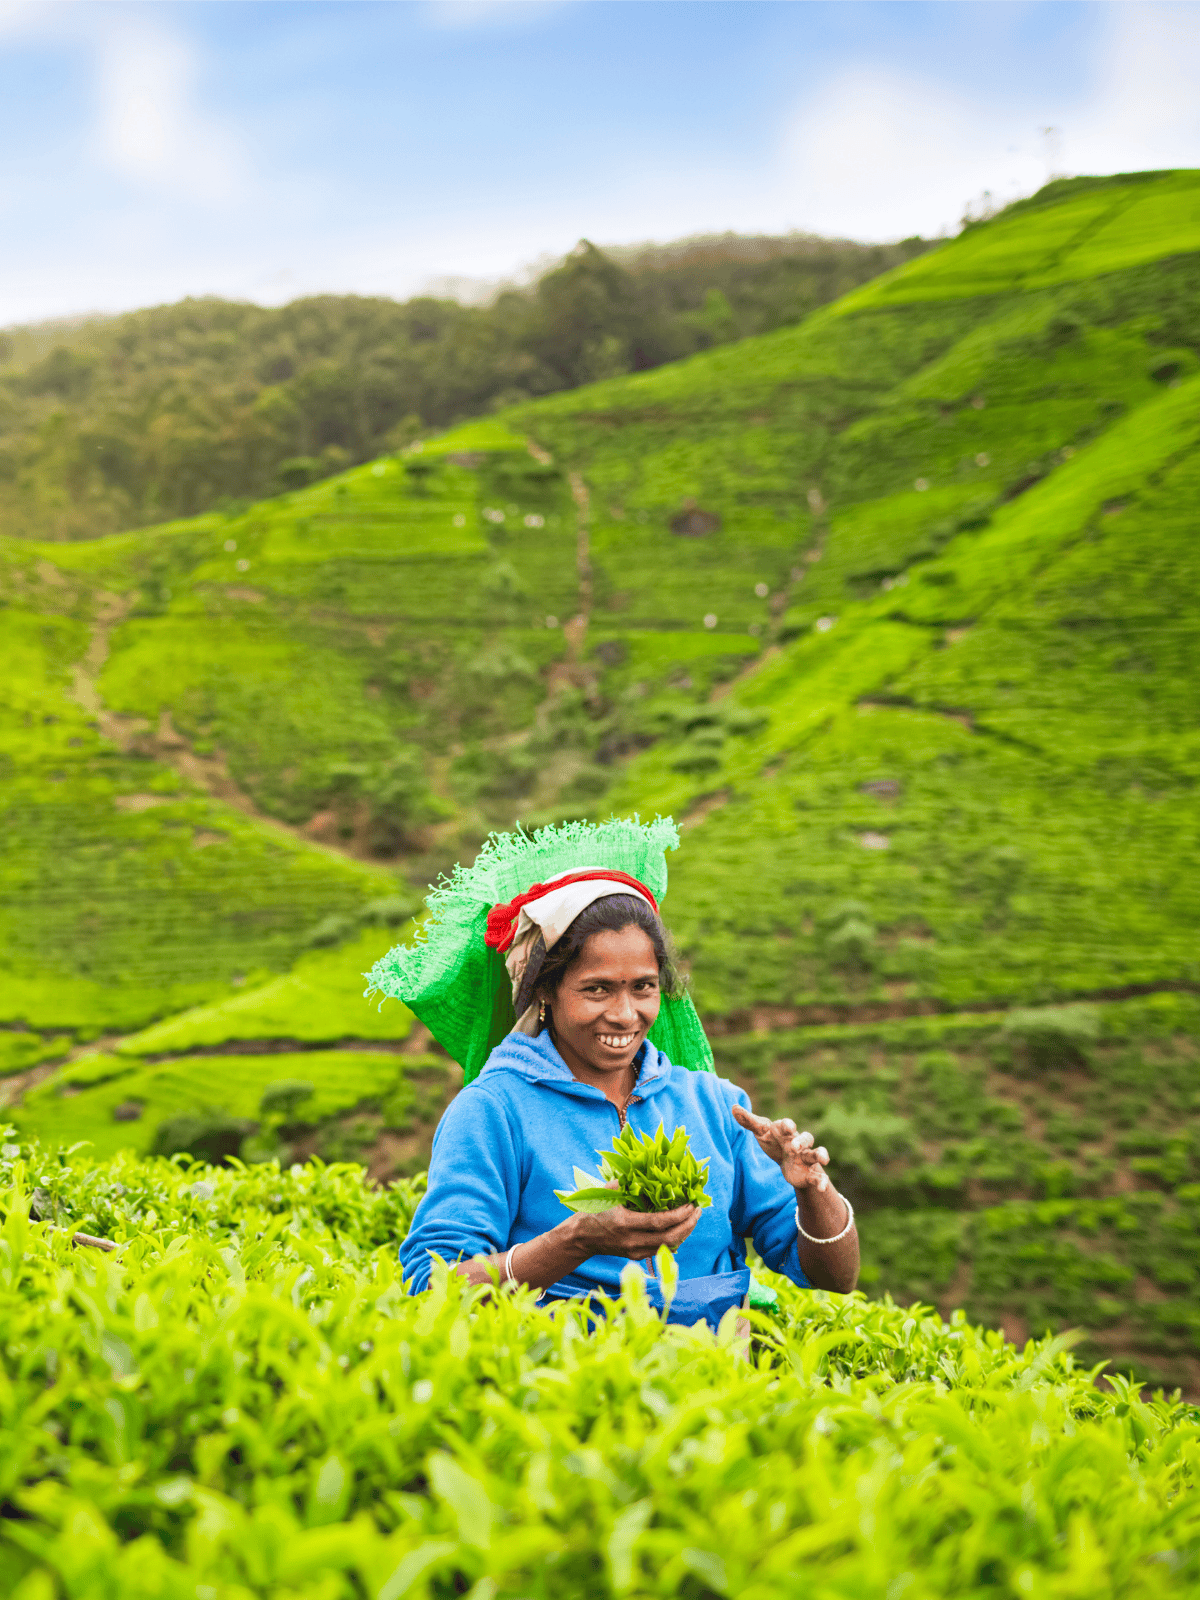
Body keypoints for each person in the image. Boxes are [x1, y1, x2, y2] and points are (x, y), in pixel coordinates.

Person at [367, 817, 858, 1326]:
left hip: (713, 1389)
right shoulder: (493, 1110)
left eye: (643, 987)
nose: (626, 1014)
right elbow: (433, 1286)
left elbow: (834, 1277)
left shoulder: (714, 1105)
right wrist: (575, 1241)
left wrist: (812, 1190)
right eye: (597, 989)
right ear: (544, 992)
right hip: (562, 1382)